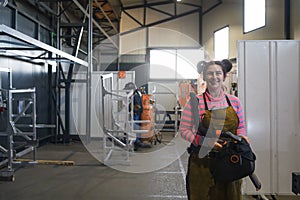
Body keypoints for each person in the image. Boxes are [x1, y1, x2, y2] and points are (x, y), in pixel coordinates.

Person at [179, 59, 248, 200]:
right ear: (204, 77)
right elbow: (184, 130)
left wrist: (242, 138)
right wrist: (203, 141)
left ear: (224, 76)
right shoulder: (194, 102)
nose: (214, 77)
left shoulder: (234, 101)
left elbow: (241, 127)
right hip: (202, 163)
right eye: (210, 73)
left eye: (218, 73)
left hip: (230, 163)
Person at [123, 82, 150, 150]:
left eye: (127, 90)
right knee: (135, 129)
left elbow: (137, 106)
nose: (126, 92)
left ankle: (134, 142)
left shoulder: (135, 95)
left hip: (135, 114)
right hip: (137, 114)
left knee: (133, 129)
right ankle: (135, 142)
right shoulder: (137, 94)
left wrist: (129, 107)